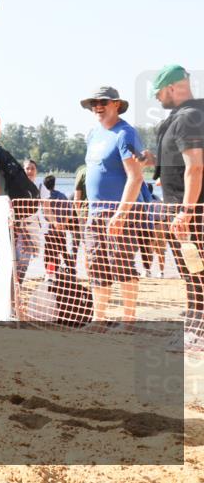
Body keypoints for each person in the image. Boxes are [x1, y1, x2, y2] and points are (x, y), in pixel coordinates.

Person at [81, 87, 149, 328]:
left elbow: (135, 177)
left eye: (103, 102)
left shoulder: (125, 134)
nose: (97, 106)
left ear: (116, 104)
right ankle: (99, 319)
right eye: (93, 103)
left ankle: (128, 321)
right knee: (96, 264)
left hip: (122, 212)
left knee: (121, 264)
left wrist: (121, 213)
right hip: (95, 212)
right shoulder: (92, 134)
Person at [146, 65, 204, 350]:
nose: (157, 99)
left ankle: (198, 332)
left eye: (158, 93)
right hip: (185, 210)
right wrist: (153, 163)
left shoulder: (190, 117)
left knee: (196, 272)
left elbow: (195, 167)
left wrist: (185, 211)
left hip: (191, 214)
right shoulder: (187, 116)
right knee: (191, 273)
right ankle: (195, 324)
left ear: (170, 88)